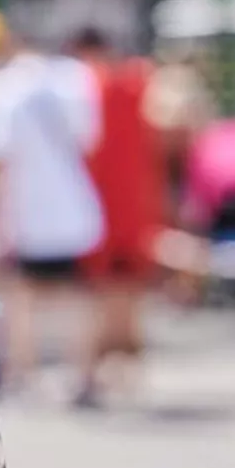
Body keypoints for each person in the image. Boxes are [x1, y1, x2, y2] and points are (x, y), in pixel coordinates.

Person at [0, 18, 105, 401]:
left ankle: (22, 373)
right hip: (72, 204)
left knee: (20, 291)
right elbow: (89, 141)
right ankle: (84, 373)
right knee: (77, 292)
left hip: (24, 207)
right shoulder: (75, 81)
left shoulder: (0, 89)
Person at [69, 27, 168, 405]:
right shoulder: (140, 82)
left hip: (99, 204)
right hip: (136, 200)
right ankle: (126, 366)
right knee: (128, 289)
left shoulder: (87, 85)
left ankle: (96, 368)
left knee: (98, 291)